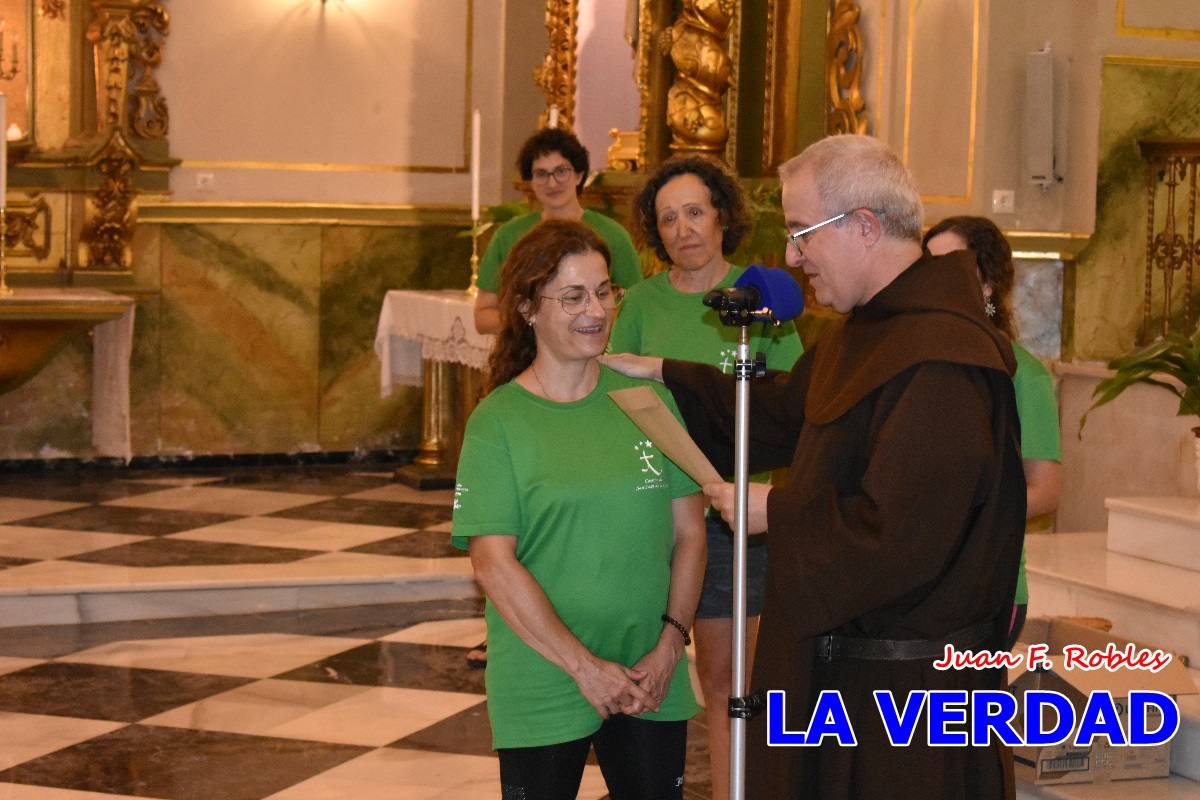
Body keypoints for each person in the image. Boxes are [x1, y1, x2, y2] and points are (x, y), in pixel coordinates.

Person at [602, 134, 1026, 799]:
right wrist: (660, 372)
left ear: (863, 226)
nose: (793, 257)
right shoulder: (864, 332)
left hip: (907, 705)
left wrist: (777, 512)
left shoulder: (941, 355)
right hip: (849, 681)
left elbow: (903, 536)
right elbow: (776, 419)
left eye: (802, 233)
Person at [452, 219, 705, 799]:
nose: (595, 309)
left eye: (603, 291)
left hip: (650, 672)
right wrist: (585, 668)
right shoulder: (499, 423)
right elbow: (493, 564)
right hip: (545, 673)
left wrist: (671, 644)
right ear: (527, 308)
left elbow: (690, 534)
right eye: (572, 296)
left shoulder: (646, 401)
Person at [609, 155, 803, 800]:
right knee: (639, 669)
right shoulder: (637, 303)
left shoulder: (759, 296)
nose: (682, 228)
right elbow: (612, 401)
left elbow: (791, 406)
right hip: (651, 513)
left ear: (723, 215)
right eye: (667, 218)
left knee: (728, 678)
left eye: (695, 211)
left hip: (731, 515)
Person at [924, 216, 1062, 650]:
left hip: (984, 588)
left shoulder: (1024, 374)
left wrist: (958, 513)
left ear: (988, 285)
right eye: (927, 267)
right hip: (915, 585)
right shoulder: (916, 365)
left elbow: (1045, 491)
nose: (934, 280)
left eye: (951, 266)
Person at [472, 128, 643, 336]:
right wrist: (538, 321)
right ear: (530, 181)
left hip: (594, 352)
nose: (552, 183)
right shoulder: (509, 235)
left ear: (579, 175)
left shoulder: (612, 235)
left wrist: (582, 324)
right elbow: (482, 317)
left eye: (561, 171)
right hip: (526, 356)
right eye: (541, 174)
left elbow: (635, 309)